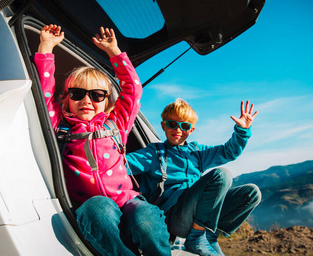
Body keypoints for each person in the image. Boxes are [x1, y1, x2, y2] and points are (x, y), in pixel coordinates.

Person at [34, 24, 171, 256]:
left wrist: (114, 53)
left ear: (107, 102)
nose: (87, 100)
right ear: (66, 99)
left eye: (96, 95)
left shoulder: (116, 123)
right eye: (77, 94)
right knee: (97, 208)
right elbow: (44, 91)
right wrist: (46, 47)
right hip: (93, 206)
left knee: (146, 219)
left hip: (127, 200)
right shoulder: (61, 126)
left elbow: (133, 91)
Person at [126, 98, 261, 256]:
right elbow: (122, 164)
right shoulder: (153, 153)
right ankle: (196, 237)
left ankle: (208, 235)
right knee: (222, 175)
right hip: (175, 219)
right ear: (163, 125)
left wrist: (242, 131)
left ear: (191, 130)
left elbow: (228, 152)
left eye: (184, 126)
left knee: (252, 193)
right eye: (172, 124)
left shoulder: (197, 151)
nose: (178, 129)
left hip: (199, 215)